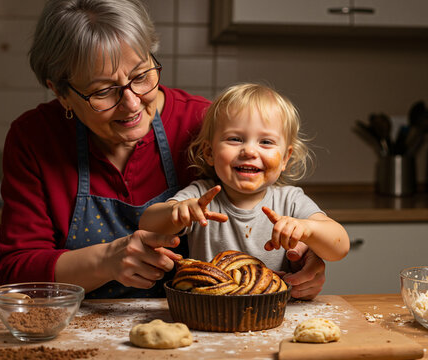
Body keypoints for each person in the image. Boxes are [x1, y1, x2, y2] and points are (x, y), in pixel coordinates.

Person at [0, 0, 328, 300]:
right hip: (77, 327)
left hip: (192, 326)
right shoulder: (35, 138)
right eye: (104, 91)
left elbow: (263, 208)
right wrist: (106, 261)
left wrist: (305, 255)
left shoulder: (204, 124)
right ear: (60, 91)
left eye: (141, 75)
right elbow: (17, 270)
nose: (131, 103)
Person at [139, 83, 349, 279]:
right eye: (235, 139)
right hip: (208, 309)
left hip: (273, 313)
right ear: (209, 152)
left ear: (285, 158)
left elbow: (339, 247)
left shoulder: (290, 200)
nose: (249, 151)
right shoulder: (201, 197)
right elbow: (147, 225)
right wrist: (176, 213)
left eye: (266, 142)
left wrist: (308, 229)